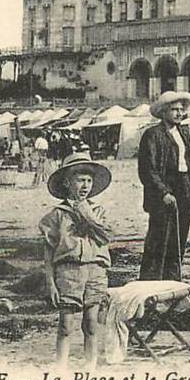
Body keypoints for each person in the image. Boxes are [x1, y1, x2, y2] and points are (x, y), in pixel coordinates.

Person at [39, 153, 113, 368]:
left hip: (95, 271)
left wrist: (86, 212)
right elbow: (48, 253)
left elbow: (105, 235)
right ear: (67, 182)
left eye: (89, 181)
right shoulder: (57, 215)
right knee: (66, 324)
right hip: (68, 273)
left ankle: (89, 368)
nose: (85, 185)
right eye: (80, 180)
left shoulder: (98, 211)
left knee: (91, 323)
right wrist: (50, 283)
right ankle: (61, 368)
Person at [138, 91, 190, 282]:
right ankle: (152, 282)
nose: (178, 113)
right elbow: (147, 169)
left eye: (181, 110)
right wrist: (163, 192)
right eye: (174, 110)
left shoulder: (184, 132)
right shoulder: (152, 134)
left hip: (184, 188)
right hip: (163, 190)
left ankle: (173, 281)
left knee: (179, 238)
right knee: (159, 239)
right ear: (163, 112)